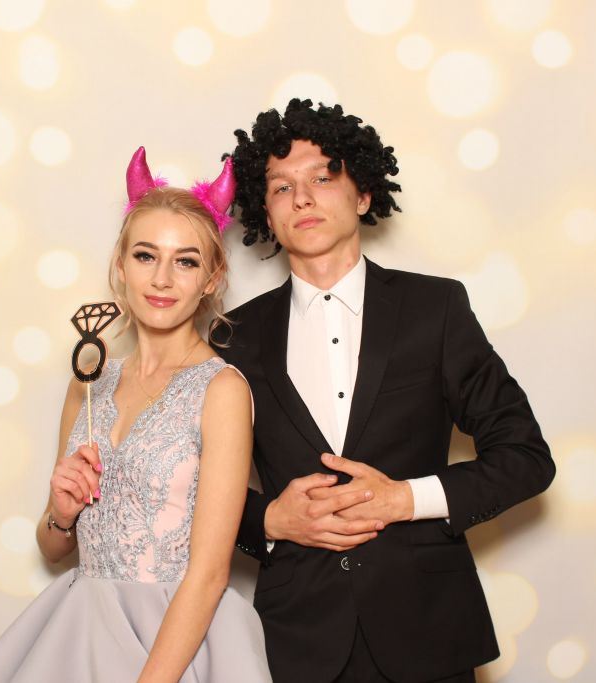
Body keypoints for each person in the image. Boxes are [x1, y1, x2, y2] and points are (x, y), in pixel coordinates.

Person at [212, 99, 556, 683]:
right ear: (265, 212)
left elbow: (525, 458)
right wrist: (269, 519)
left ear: (364, 194)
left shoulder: (436, 309)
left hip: (429, 630)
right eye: (281, 187)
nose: (302, 198)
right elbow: (187, 490)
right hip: (298, 641)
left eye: (323, 177)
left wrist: (406, 499)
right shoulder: (232, 339)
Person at [0, 147, 272, 682]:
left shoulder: (221, 390)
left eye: (186, 261)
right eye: (145, 256)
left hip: (175, 645)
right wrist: (62, 512)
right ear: (120, 266)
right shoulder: (89, 383)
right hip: (84, 632)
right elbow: (54, 548)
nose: (162, 279)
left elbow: (209, 573)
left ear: (211, 278)